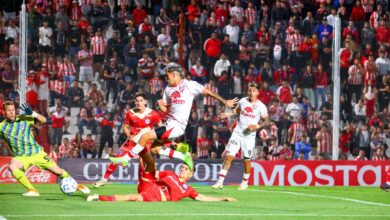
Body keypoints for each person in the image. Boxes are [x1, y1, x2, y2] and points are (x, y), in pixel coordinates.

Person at [110, 63, 238, 171]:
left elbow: (208, 91)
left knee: (144, 137)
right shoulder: (168, 90)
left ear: (175, 74)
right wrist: (162, 107)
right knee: (155, 149)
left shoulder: (189, 85)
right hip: (169, 123)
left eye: (168, 75)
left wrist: (225, 101)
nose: (166, 78)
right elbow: (168, 110)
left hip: (176, 125)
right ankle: (184, 156)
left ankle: (125, 160)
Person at [0, 101, 90, 196]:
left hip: (37, 152)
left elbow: (43, 120)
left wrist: (32, 113)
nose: (12, 112)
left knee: (58, 171)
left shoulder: (24, 119)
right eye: (9, 110)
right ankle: (33, 190)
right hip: (22, 156)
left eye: (13, 110)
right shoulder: (1, 127)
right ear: (4, 112)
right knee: (12, 166)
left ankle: (77, 185)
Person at [212, 83, 269, 190]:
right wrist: (227, 114)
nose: (251, 92)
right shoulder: (243, 101)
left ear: (257, 92)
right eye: (249, 90)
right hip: (237, 132)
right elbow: (238, 110)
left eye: (253, 91)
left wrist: (257, 126)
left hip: (249, 136)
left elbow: (267, 122)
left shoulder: (261, 106)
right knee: (229, 156)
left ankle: (245, 183)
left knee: (247, 160)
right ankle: (220, 182)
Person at [87, 162, 236, 202]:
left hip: (155, 197)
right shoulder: (170, 174)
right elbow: (154, 173)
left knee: (133, 197)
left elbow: (203, 198)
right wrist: (148, 169)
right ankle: (134, 154)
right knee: (147, 165)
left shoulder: (188, 189)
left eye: (186, 169)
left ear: (190, 174)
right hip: (150, 185)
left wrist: (222, 198)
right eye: (182, 167)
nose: (182, 170)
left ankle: (98, 198)